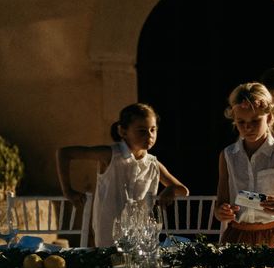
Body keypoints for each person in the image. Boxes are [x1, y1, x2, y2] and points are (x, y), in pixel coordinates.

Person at [56, 103, 189, 247]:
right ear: (123, 131)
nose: (149, 135)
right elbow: (64, 153)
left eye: (153, 130)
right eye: (142, 131)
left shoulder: (153, 164)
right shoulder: (110, 155)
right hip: (108, 232)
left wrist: (170, 189)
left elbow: (183, 190)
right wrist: (67, 190)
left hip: (141, 235)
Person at [214, 82, 274, 247]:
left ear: (269, 118)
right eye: (241, 122)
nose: (248, 127)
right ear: (234, 121)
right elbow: (220, 205)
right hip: (238, 236)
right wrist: (222, 212)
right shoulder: (228, 156)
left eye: (255, 121)